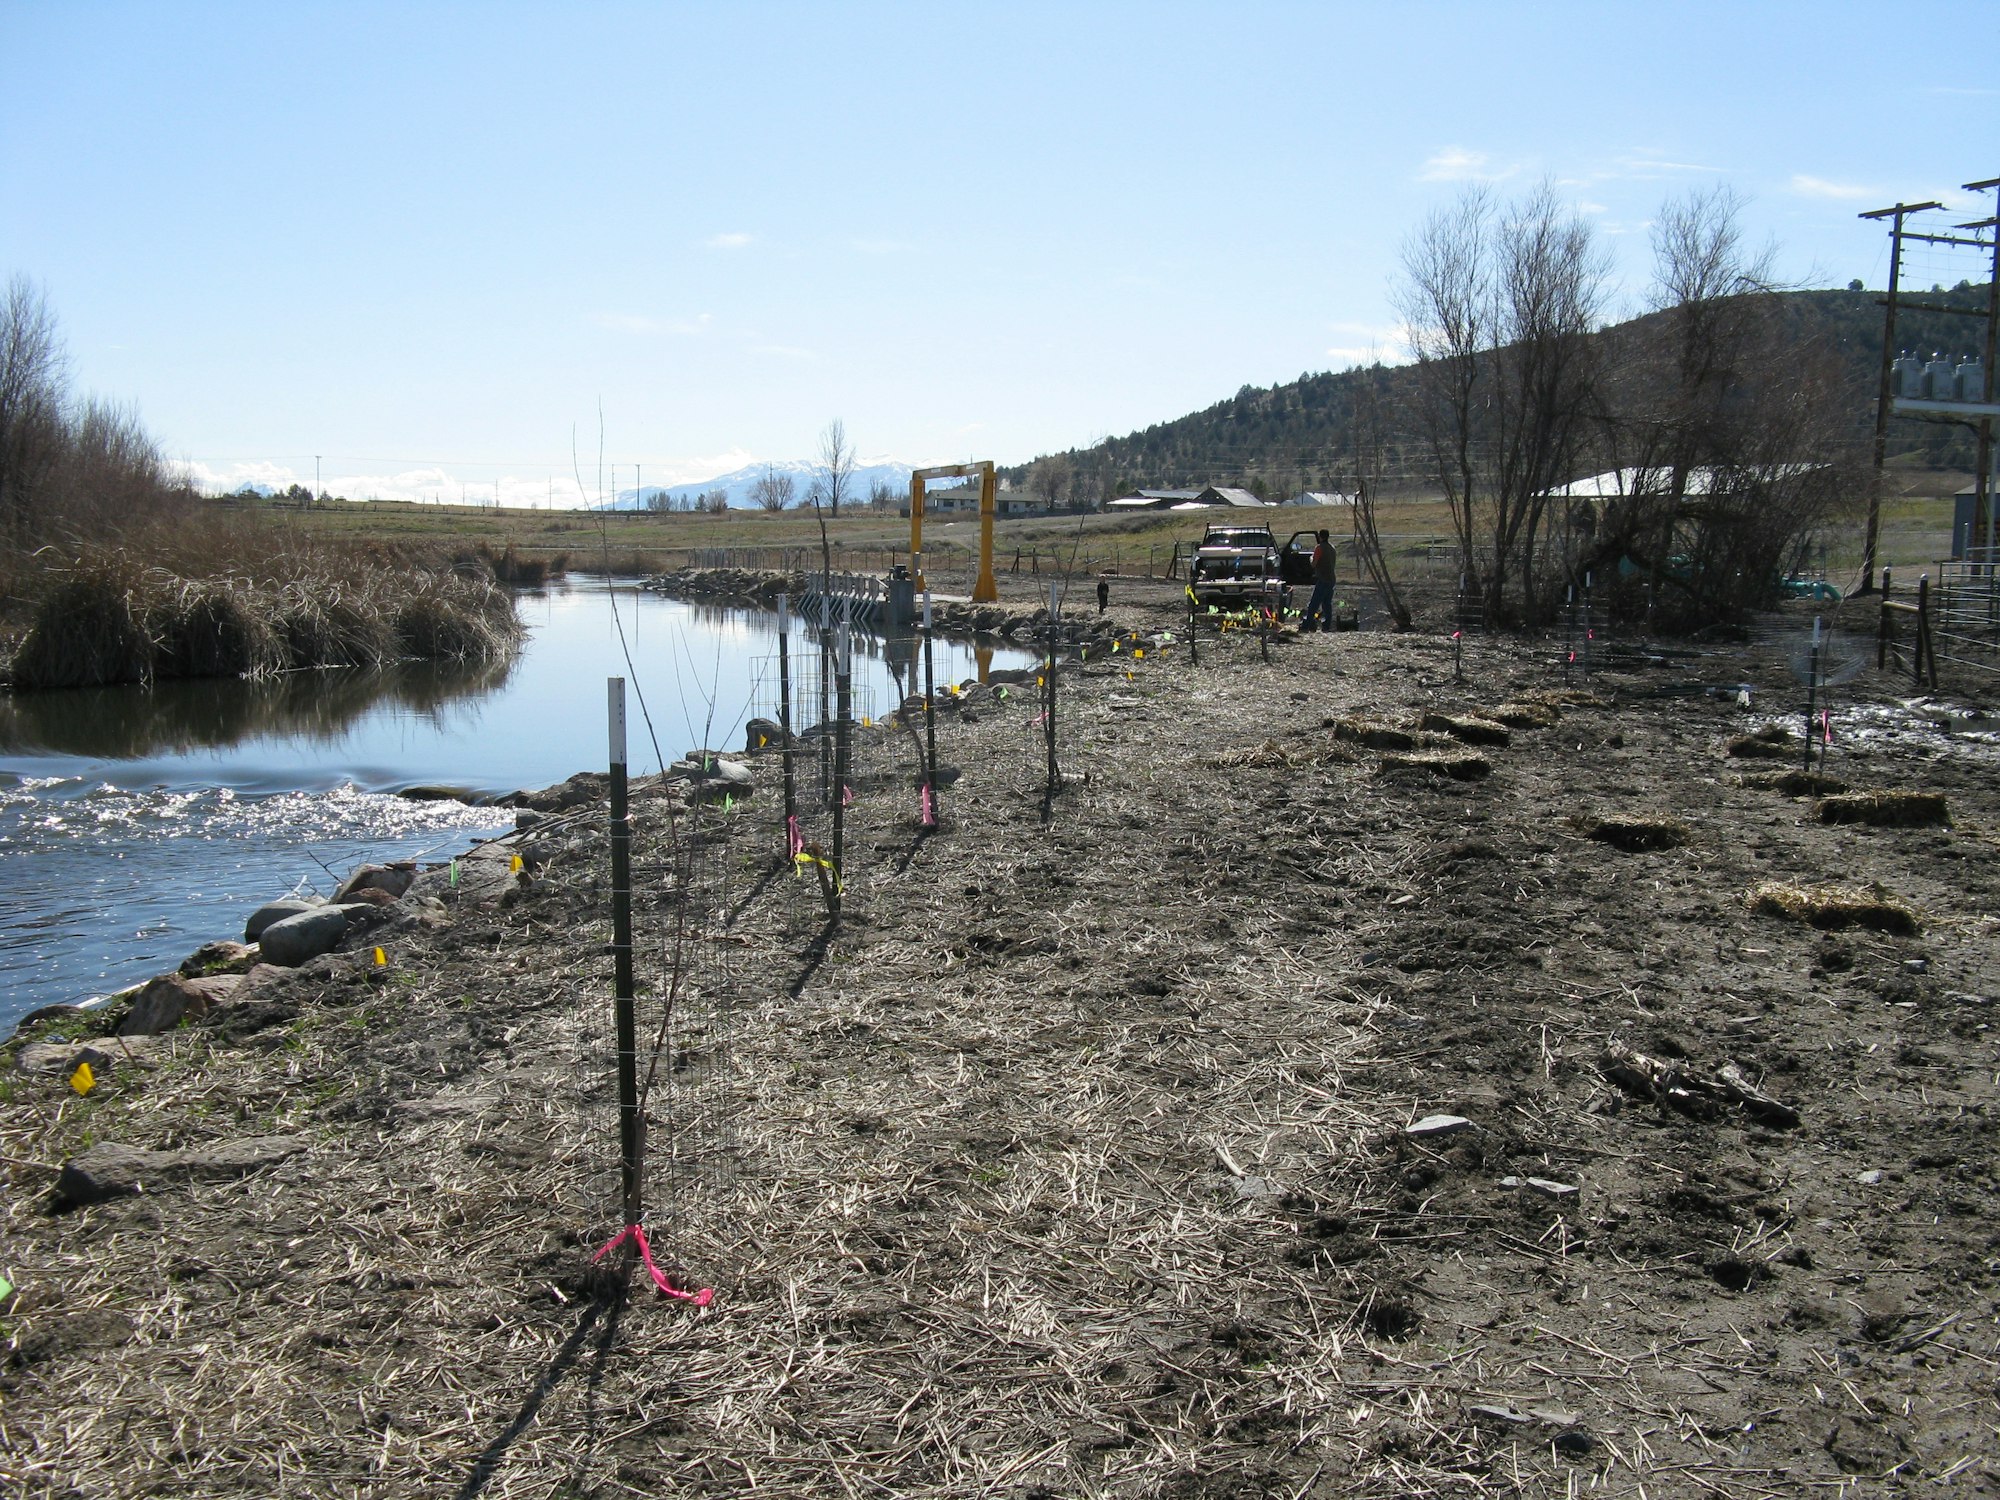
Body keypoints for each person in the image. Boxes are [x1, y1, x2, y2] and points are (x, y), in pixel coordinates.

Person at [1301, 529, 1335, 632]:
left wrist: (1311, 558)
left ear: (1320, 537)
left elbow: (1314, 564)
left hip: (1323, 579)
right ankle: (1326, 626)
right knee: (1327, 604)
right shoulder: (1332, 548)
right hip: (1331, 579)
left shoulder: (1319, 548)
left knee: (1314, 604)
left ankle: (1306, 626)